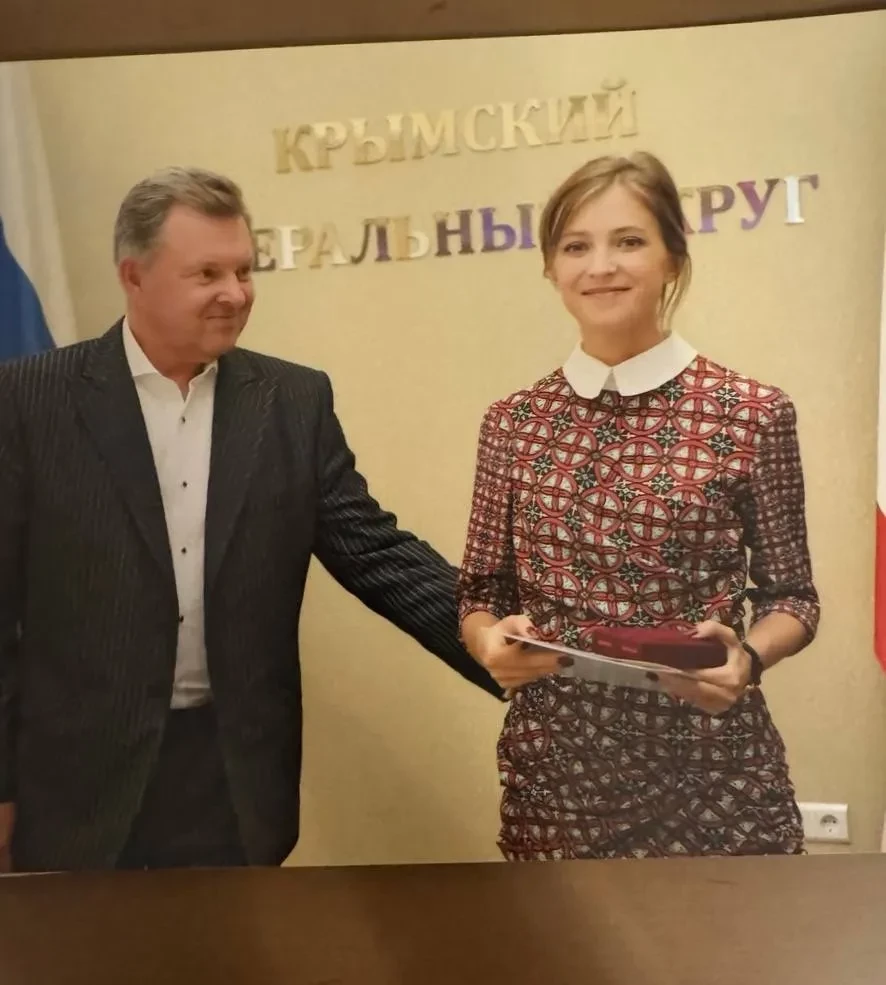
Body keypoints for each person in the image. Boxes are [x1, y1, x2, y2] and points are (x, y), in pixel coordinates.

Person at [0, 165, 502, 873]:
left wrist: (490, 633)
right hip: (74, 785)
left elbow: (375, 553)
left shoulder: (292, 401)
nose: (235, 294)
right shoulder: (29, 401)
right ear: (134, 276)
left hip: (233, 780)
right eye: (207, 273)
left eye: (244, 270)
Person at [457, 151, 820, 860]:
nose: (601, 267)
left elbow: (794, 599)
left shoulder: (750, 412)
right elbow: (480, 593)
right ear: (550, 269)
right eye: (576, 247)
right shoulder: (513, 421)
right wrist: (488, 643)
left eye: (628, 241)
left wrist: (747, 657)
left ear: (672, 258)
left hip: (714, 774)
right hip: (557, 776)